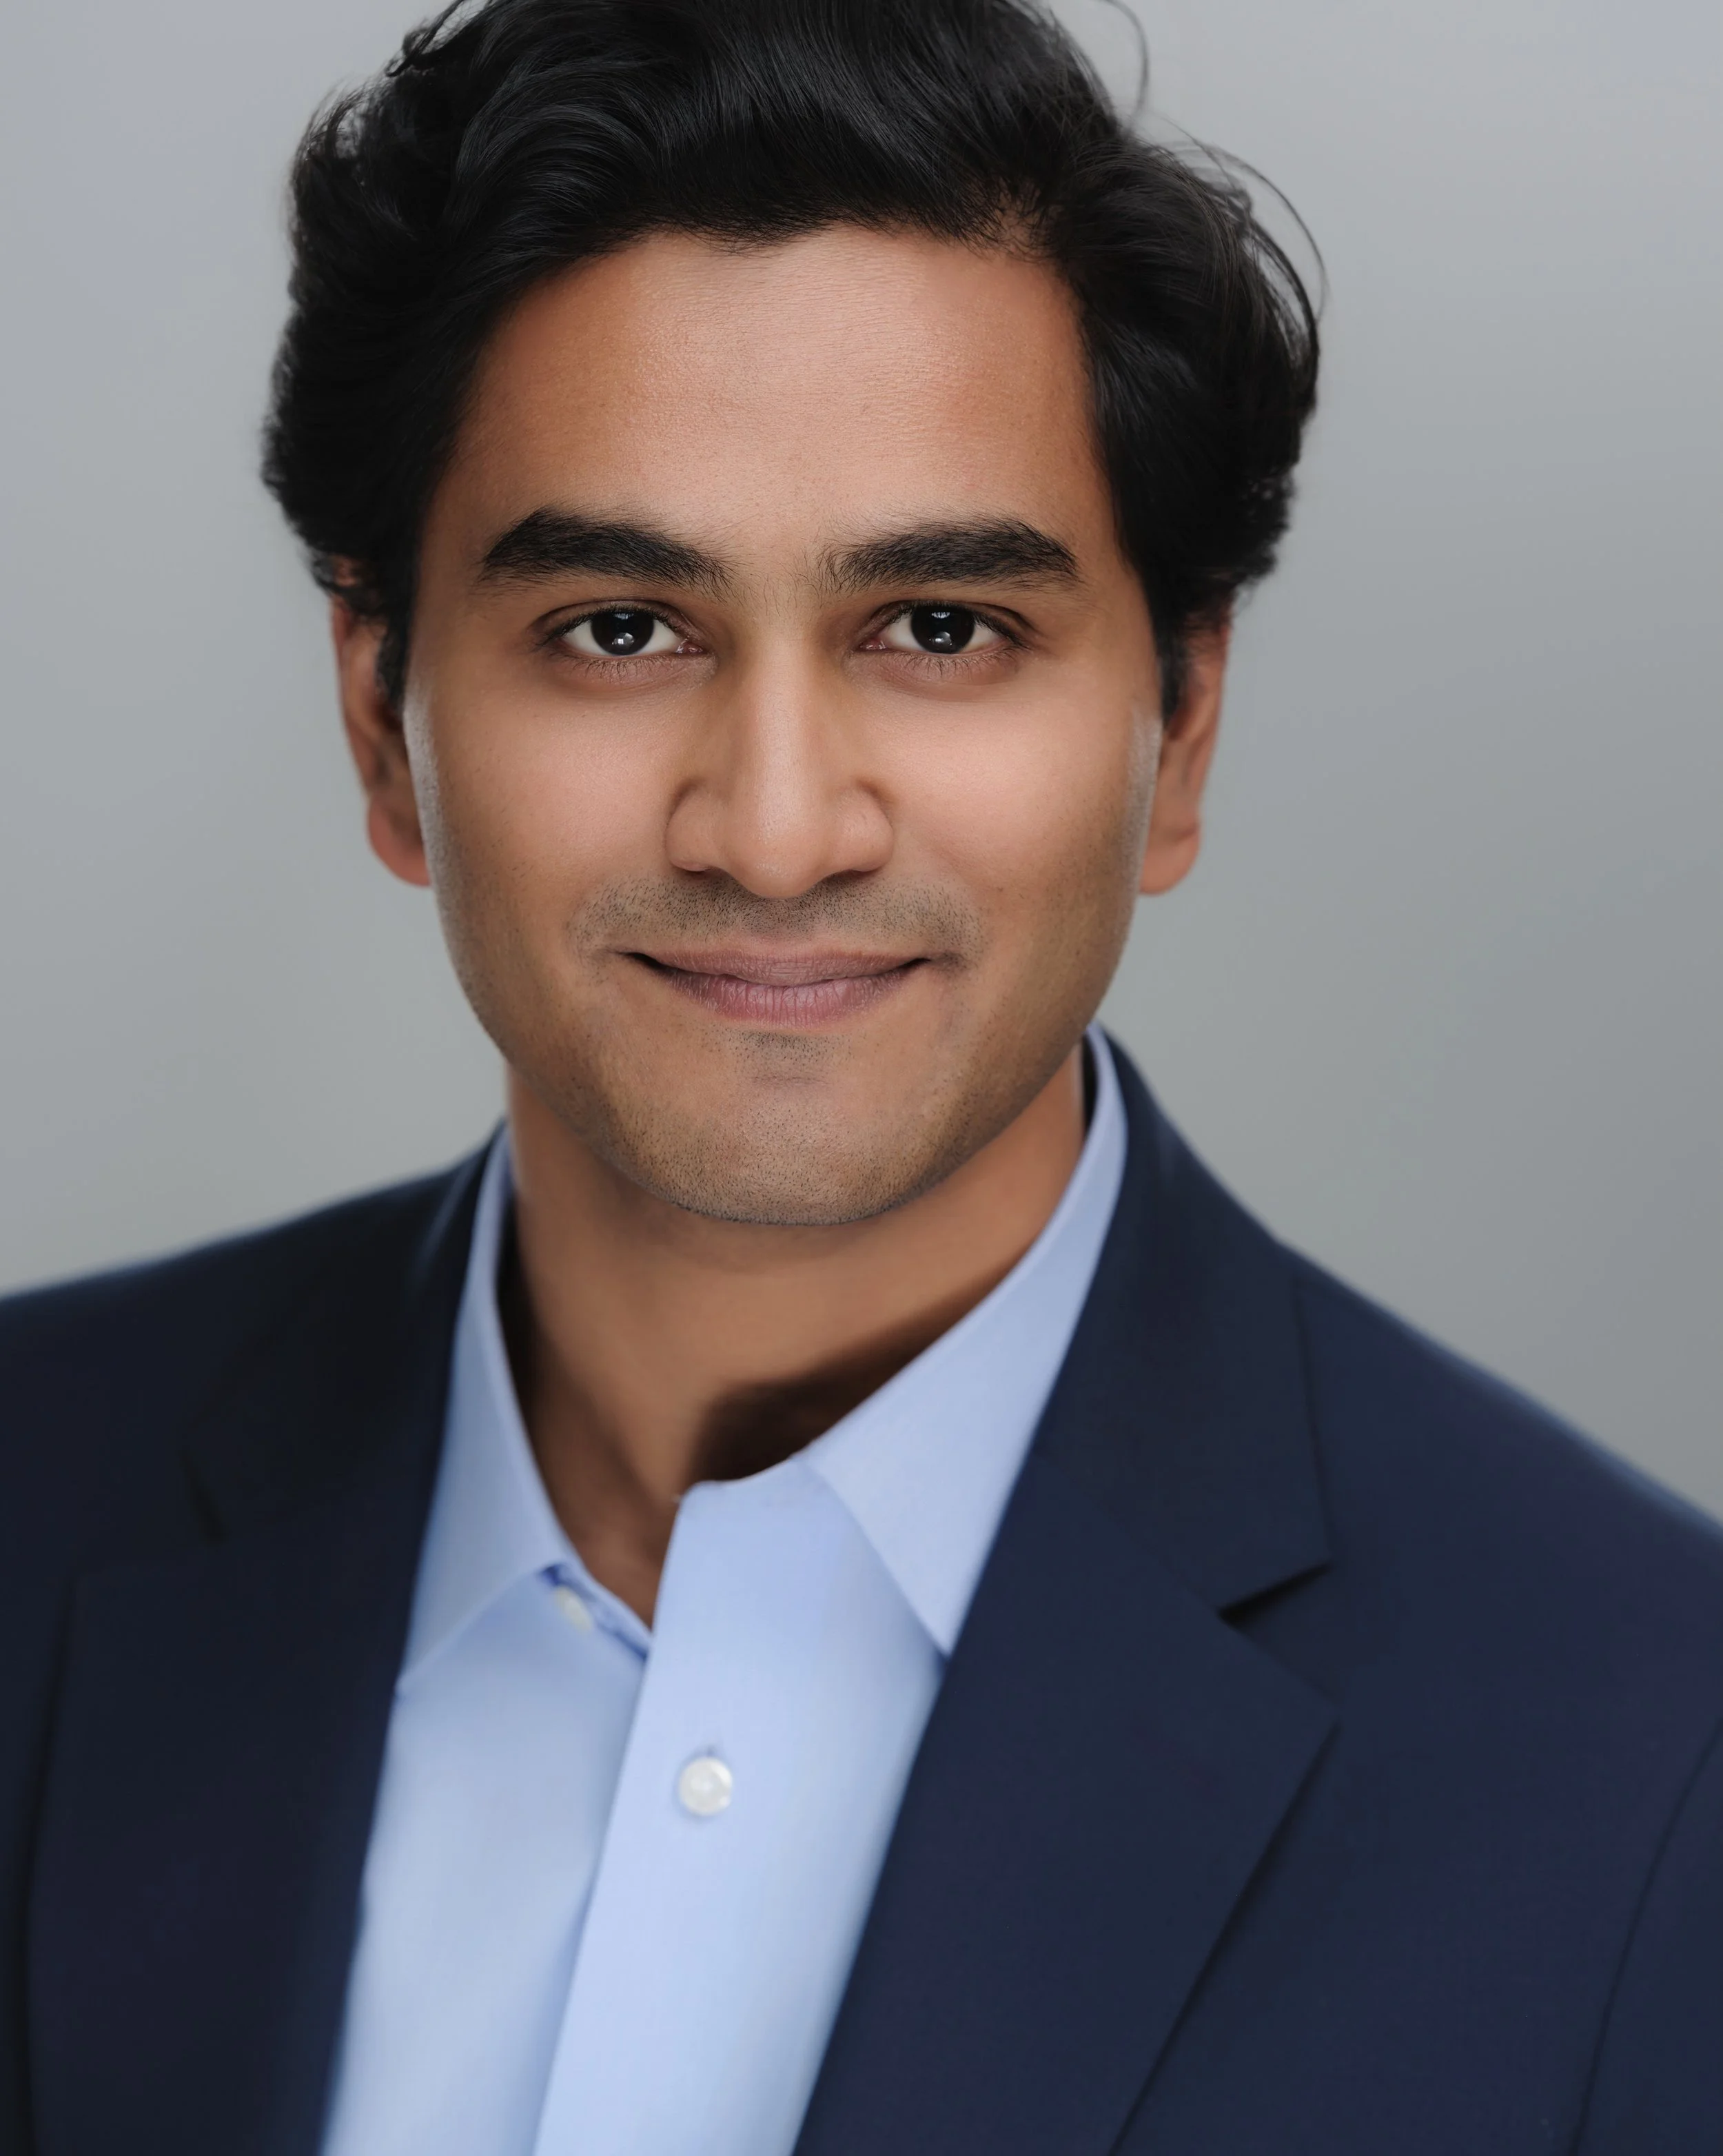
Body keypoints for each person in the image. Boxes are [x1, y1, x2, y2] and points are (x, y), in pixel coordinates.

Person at [2, 0, 1718, 2148]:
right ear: (383, 723)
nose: (778, 827)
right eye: (621, 623)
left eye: (937, 627)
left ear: (1175, 729)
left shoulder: (1658, 1770)